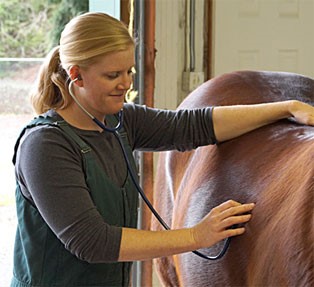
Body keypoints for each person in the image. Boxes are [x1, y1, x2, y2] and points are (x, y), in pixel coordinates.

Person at [11, 12, 314, 287]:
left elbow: (192, 126)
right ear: (75, 75)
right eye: (112, 75)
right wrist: (197, 235)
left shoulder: (120, 121)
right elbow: (92, 242)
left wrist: (286, 108)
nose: (125, 84)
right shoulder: (45, 145)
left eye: (129, 71)